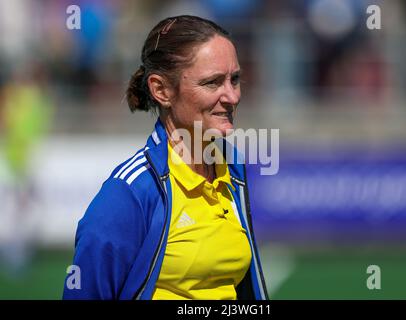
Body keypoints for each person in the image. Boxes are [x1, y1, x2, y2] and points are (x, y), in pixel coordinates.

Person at [63, 15, 268, 300]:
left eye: (234, 79)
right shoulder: (129, 193)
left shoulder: (232, 170)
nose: (231, 96)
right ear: (161, 90)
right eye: (212, 83)